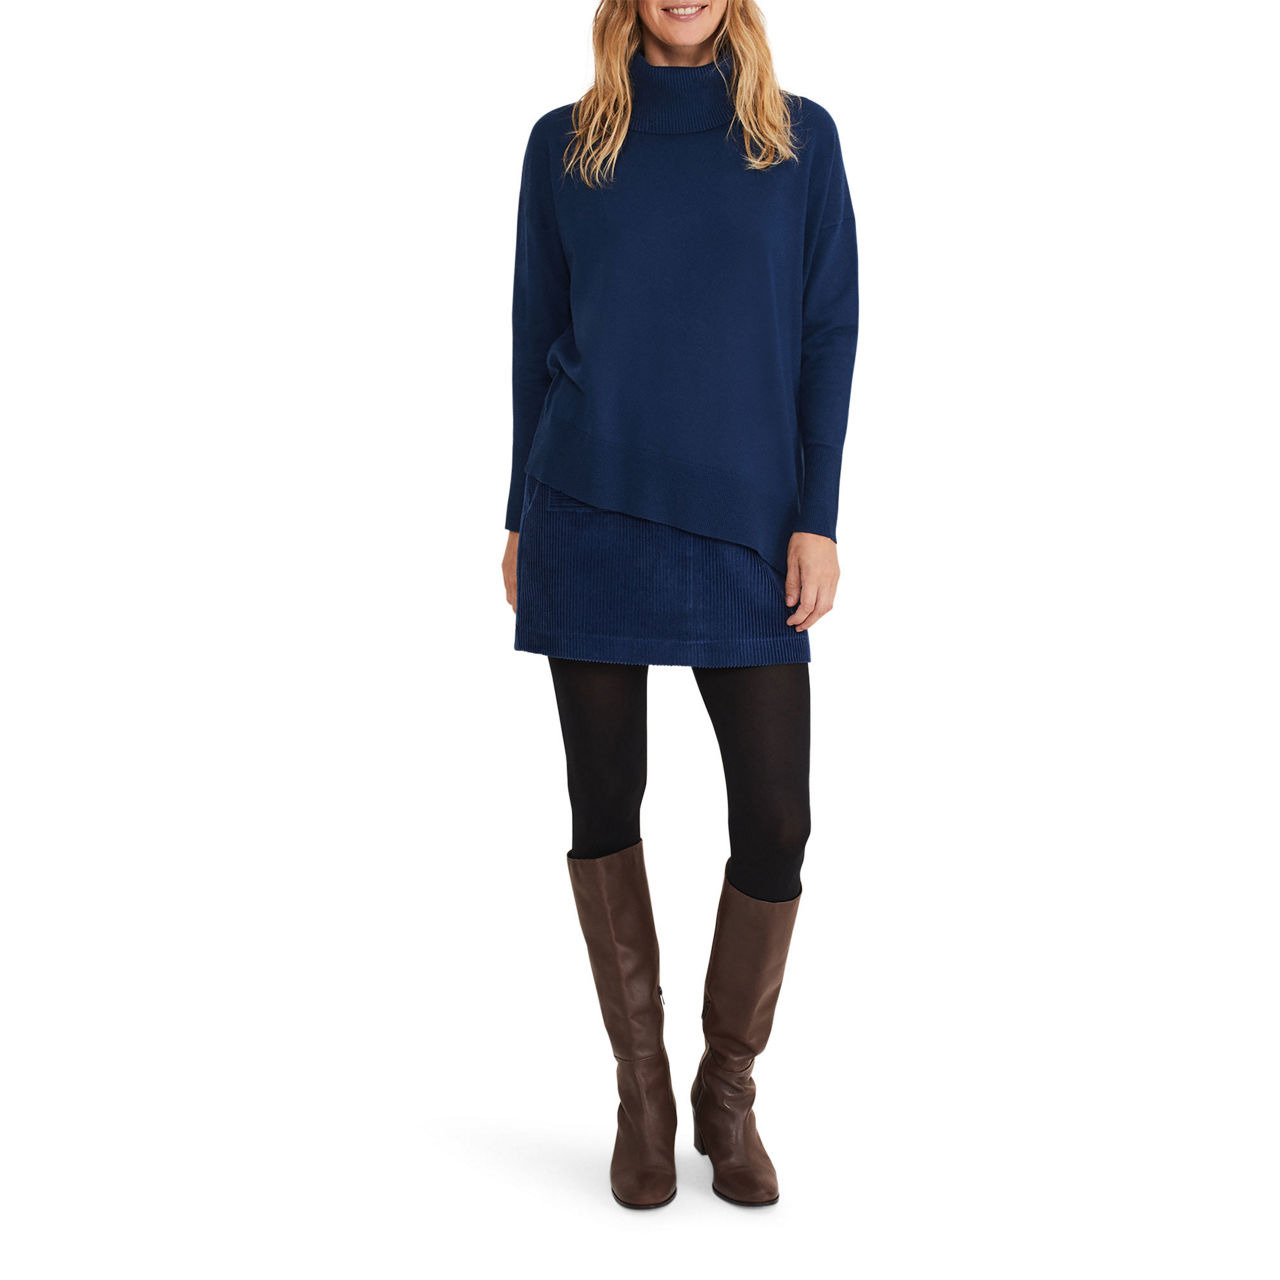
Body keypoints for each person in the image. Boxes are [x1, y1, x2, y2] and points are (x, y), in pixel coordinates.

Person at [500, 0, 859, 1209]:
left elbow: (826, 332)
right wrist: (517, 512)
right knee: (605, 801)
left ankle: (727, 1090)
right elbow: (535, 329)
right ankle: (642, 1092)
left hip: (749, 525)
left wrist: (816, 517)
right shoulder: (564, 143)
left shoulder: (796, 139)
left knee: (776, 818)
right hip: (585, 506)